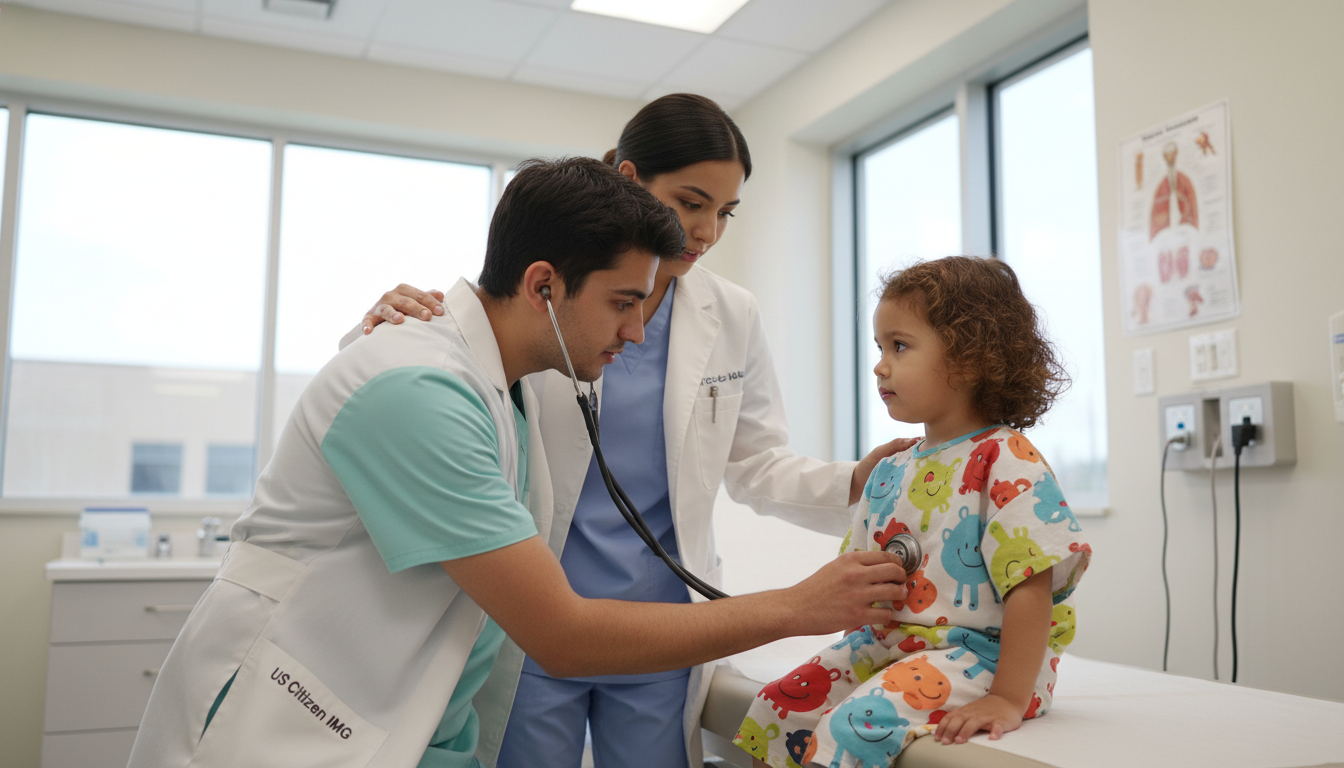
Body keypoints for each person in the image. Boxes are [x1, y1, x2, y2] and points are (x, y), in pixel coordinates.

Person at [127, 157, 912, 768]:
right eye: (623, 303)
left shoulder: (508, 389)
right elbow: (561, 635)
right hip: (288, 723)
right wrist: (797, 607)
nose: (637, 333)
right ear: (542, 285)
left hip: (413, 726)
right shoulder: (418, 389)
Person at [349, 94, 911, 768]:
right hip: (535, 617)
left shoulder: (731, 313)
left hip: (663, 622)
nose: (706, 232)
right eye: (690, 202)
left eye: (725, 213)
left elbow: (757, 461)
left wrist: (855, 481)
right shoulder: (545, 297)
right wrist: (385, 320)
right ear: (628, 178)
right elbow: (427, 379)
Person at [733, 256, 1093, 768]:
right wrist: (851, 662)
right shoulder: (888, 469)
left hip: (983, 657)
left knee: (849, 727)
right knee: (776, 707)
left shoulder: (1005, 458)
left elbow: (1031, 585)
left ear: (969, 359)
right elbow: (861, 582)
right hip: (892, 646)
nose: (880, 365)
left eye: (899, 346)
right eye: (879, 347)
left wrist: (1008, 697)